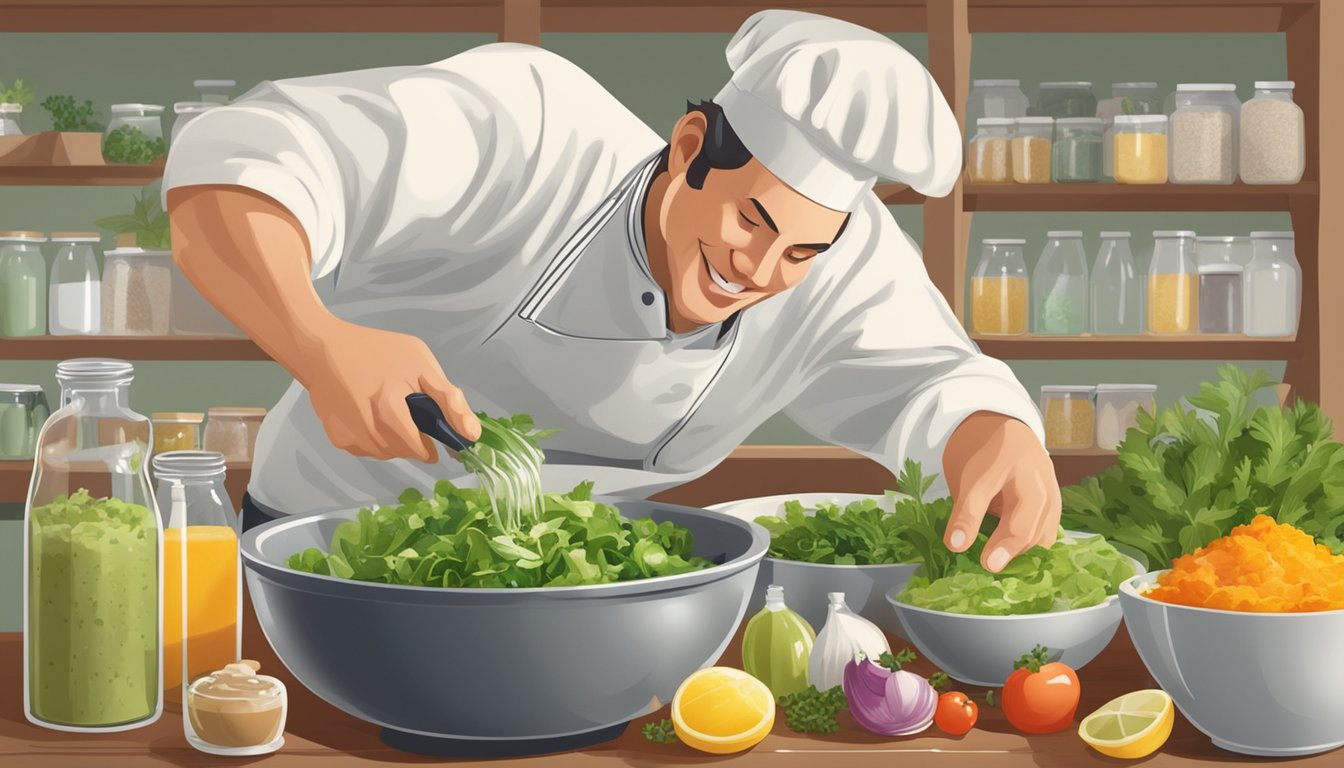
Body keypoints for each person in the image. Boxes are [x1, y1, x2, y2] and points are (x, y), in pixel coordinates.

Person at [165, 10, 1060, 572]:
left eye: (800, 251)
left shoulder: (836, 254)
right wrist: (318, 341)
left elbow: (936, 381)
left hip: (566, 577)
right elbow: (236, 167)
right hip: (327, 550)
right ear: (688, 147)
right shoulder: (530, 130)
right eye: (750, 220)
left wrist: (1000, 437)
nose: (759, 270)